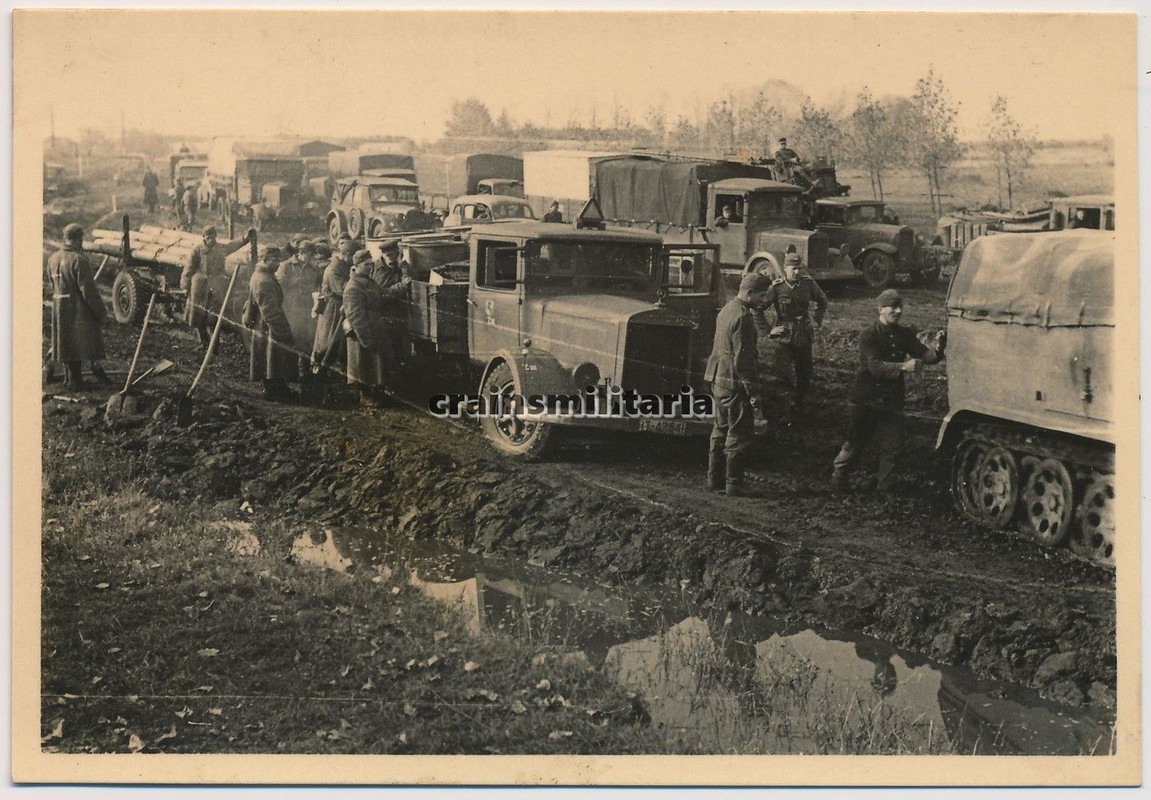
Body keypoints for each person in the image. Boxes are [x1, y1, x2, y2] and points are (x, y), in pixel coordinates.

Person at [830, 289, 946, 493]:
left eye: (900, 307)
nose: (898, 311)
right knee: (856, 441)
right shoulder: (869, 334)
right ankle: (839, 476)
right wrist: (903, 366)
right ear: (880, 309)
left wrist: (938, 349)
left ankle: (885, 489)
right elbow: (874, 366)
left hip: (891, 400)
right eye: (893, 307)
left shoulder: (904, 334)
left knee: (893, 446)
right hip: (866, 398)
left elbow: (924, 355)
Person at [704, 272, 771, 497]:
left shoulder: (726, 310)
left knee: (719, 430)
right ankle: (734, 484)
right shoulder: (743, 317)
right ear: (749, 293)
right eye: (762, 296)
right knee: (738, 434)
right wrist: (754, 393)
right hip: (734, 383)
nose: (764, 301)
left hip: (718, 379)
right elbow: (744, 362)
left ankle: (713, 480)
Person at [762, 251, 828, 416]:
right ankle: (785, 408)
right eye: (793, 269)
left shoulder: (808, 283)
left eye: (799, 268)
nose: (797, 272)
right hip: (784, 335)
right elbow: (758, 309)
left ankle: (799, 404)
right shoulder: (777, 287)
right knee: (783, 374)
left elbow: (822, 300)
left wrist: (816, 320)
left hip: (804, 334)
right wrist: (769, 330)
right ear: (785, 269)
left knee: (805, 372)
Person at [47, 223, 109, 389]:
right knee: (81, 341)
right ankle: (75, 382)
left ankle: (71, 379)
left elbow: (53, 284)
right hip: (77, 308)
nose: (81, 244)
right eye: (80, 240)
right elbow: (88, 292)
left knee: (66, 342)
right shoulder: (79, 260)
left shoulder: (52, 258)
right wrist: (101, 314)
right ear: (76, 239)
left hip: (60, 307)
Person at [344, 249, 408, 406]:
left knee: (374, 364)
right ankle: (365, 397)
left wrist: (402, 286)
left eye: (371, 264)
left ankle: (374, 394)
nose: (370, 267)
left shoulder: (368, 281)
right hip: (363, 332)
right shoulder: (353, 287)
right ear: (356, 266)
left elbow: (384, 294)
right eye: (366, 265)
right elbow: (356, 318)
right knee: (362, 366)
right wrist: (366, 339)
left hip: (375, 328)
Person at [181, 226, 252, 349]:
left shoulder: (220, 248)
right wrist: (185, 286)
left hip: (217, 287)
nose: (211, 240)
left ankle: (214, 346)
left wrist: (245, 237)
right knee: (198, 317)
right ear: (203, 237)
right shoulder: (197, 250)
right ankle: (203, 342)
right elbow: (189, 268)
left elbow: (233, 246)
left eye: (213, 237)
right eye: (208, 238)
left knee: (214, 318)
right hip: (199, 287)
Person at [244, 246, 297, 401]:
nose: (278, 263)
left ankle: (277, 387)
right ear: (264, 260)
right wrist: (284, 332)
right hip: (268, 326)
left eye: (279, 260)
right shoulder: (264, 281)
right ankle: (273, 391)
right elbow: (270, 312)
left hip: (264, 324)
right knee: (272, 358)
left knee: (272, 359)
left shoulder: (262, 275)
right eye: (274, 260)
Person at [276, 239, 323, 383]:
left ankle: (304, 373)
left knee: (306, 340)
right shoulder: (286, 266)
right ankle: (289, 372)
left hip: (307, 309)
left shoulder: (314, 269)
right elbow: (279, 288)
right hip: (290, 309)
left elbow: (318, 286)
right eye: (310, 254)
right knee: (291, 340)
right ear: (301, 253)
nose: (312, 257)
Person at [311, 237, 357, 370]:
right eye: (353, 256)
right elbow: (344, 290)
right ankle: (321, 369)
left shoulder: (343, 266)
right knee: (327, 339)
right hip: (332, 309)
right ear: (347, 255)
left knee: (337, 340)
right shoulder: (333, 270)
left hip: (339, 307)